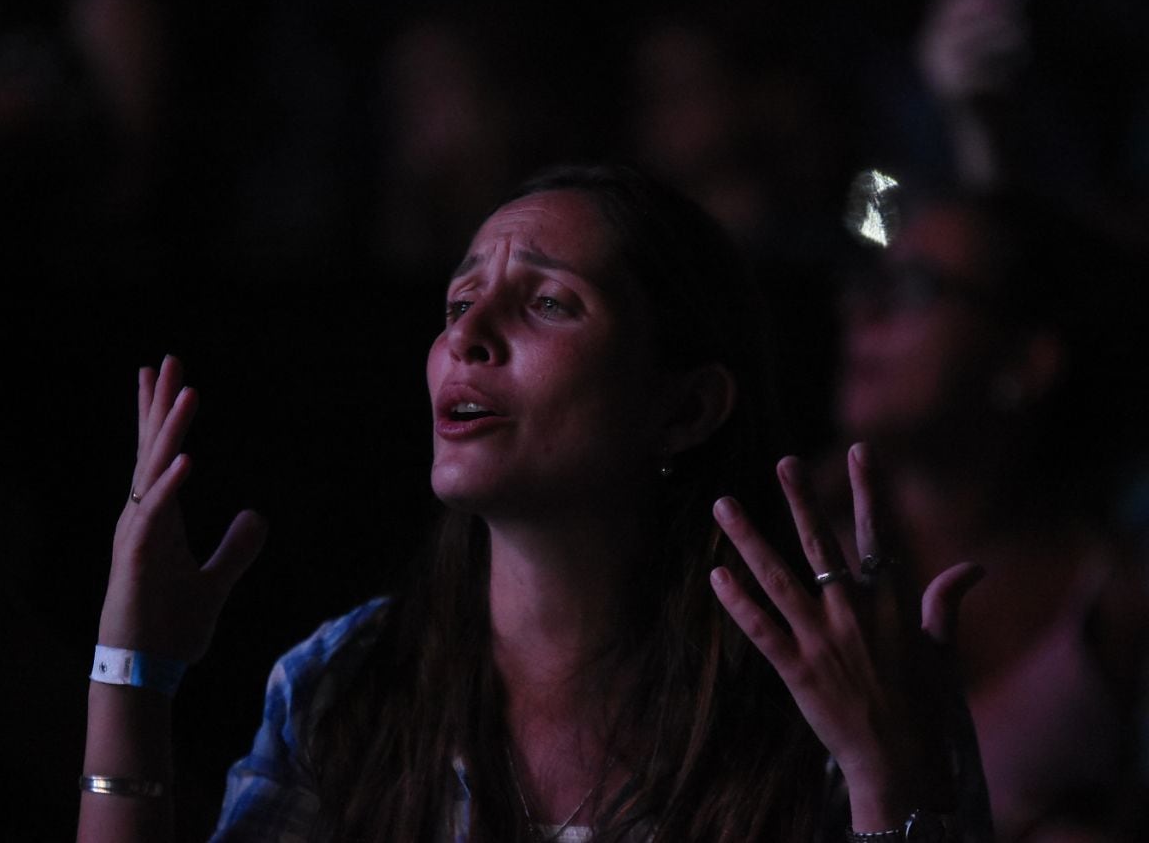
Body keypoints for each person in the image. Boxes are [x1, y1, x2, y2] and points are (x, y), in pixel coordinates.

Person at [78, 165, 988, 842]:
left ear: (684, 407)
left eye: (548, 302)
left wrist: (884, 774)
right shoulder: (346, 683)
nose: (466, 335)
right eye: (459, 300)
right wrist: (129, 670)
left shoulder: (828, 696)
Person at [832, 187, 1147, 841]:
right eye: (873, 279)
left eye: (917, 286)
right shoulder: (787, 557)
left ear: (1026, 360)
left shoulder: (1117, 598)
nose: (865, 308)